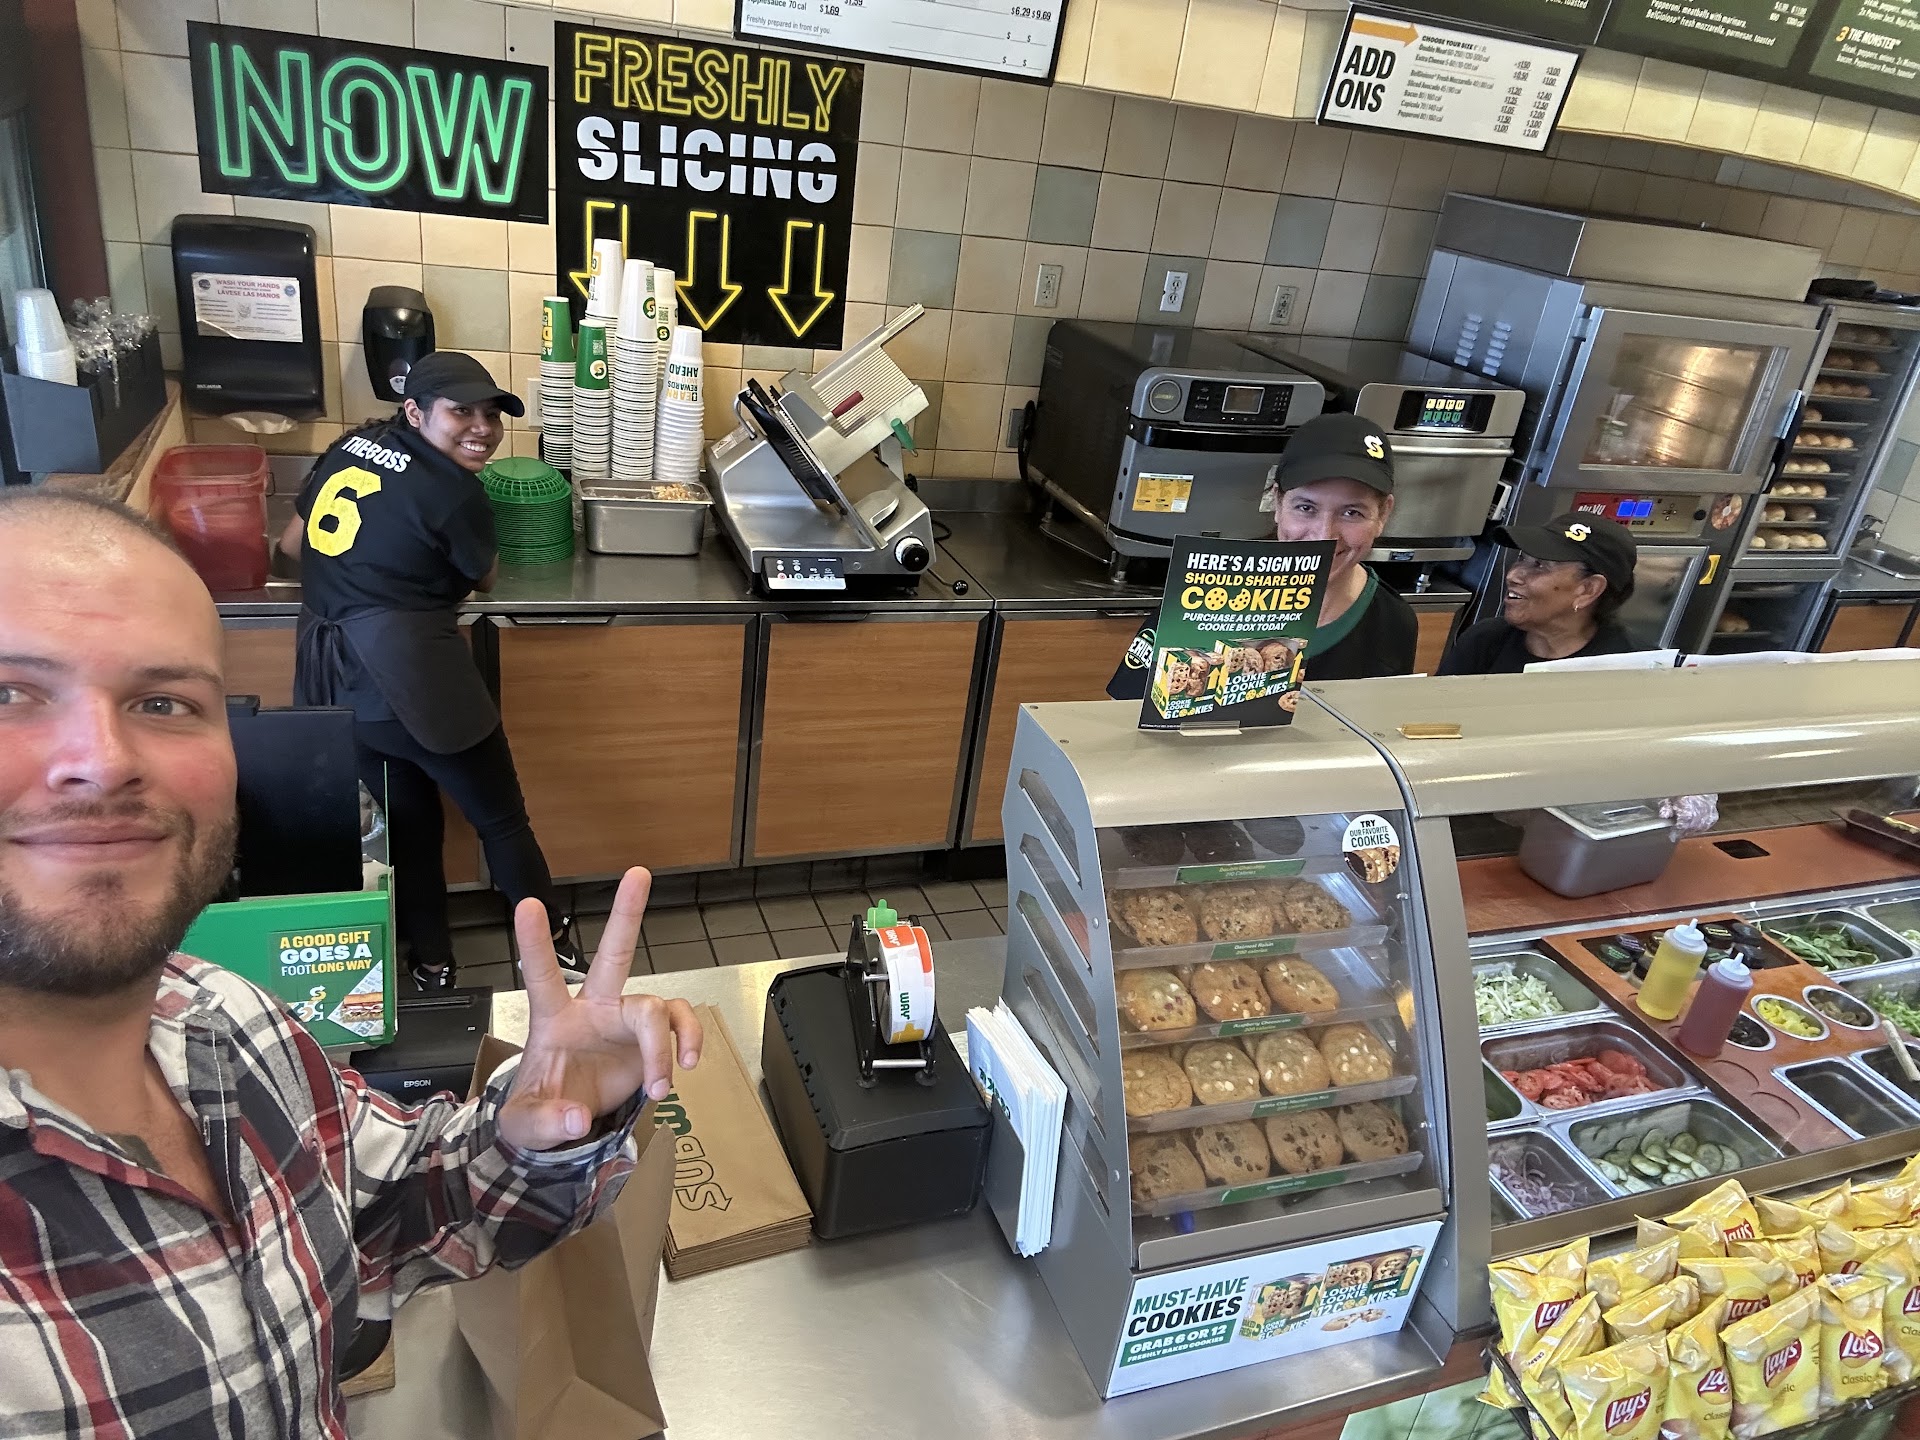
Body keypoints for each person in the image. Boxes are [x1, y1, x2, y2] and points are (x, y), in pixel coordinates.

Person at [0, 490, 701, 1437]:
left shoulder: (228, 1019)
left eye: (163, 702)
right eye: (11, 694)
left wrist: (542, 1130)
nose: (101, 759)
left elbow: (399, 1205)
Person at [279, 351, 573, 991]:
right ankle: (552, 953)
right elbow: (485, 577)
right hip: (416, 674)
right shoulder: (454, 490)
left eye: (492, 414)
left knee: (409, 826)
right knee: (501, 821)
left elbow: (292, 544)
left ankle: (432, 964)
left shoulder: (351, 445)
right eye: (461, 412)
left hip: (335, 676)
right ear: (415, 412)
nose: (483, 429)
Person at [1108, 413, 1418, 699]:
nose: (1325, 535)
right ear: (1277, 502)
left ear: (1383, 514)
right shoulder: (1202, 597)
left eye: (1352, 512)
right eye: (1306, 508)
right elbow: (1123, 714)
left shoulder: (1394, 622)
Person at [1439, 513, 1639, 675]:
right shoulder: (1484, 641)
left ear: (1588, 590)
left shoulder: (1629, 669)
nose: (1512, 575)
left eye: (1539, 565)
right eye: (1522, 559)